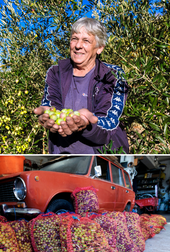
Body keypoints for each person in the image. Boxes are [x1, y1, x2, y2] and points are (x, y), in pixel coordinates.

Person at [34, 17, 130, 154]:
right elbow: (50, 103)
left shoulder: (113, 75)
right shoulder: (55, 72)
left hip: (101, 156)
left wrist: (89, 122)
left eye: (86, 41)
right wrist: (48, 112)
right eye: (74, 38)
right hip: (61, 154)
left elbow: (110, 122)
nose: (78, 45)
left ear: (99, 48)